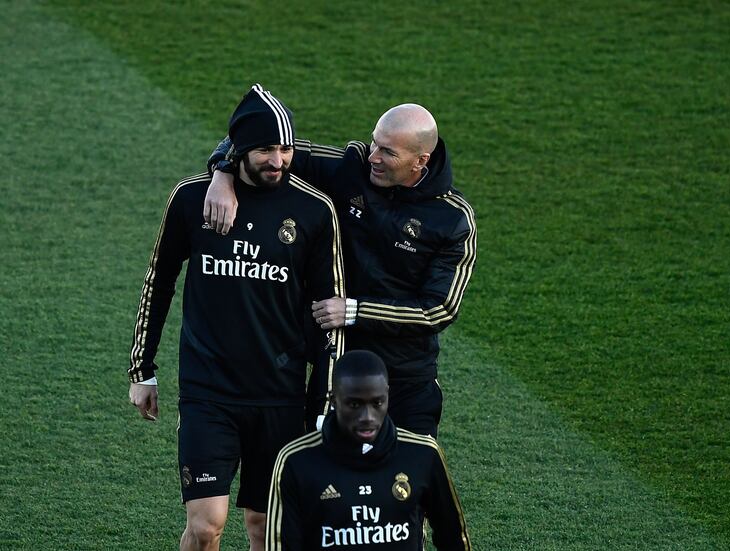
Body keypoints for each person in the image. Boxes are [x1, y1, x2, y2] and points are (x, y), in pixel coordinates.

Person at [127, 83, 345, 551]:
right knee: (207, 525)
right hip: (209, 392)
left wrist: (324, 402)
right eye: (266, 149)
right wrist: (142, 371)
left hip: (280, 394)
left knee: (266, 530)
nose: (279, 160)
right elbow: (158, 282)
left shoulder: (313, 210)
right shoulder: (191, 200)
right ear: (239, 149)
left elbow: (331, 316)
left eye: (285, 149)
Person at [205, 98, 477, 438]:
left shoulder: (452, 218)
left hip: (406, 379)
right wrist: (222, 174)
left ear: (420, 161)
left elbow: (439, 309)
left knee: (408, 484)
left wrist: (355, 310)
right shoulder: (351, 166)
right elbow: (246, 137)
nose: (374, 156)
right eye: (375, 142)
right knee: (324, 480)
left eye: (388, 152)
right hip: (336, 365)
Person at [265, 350, 472, 550]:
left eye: (377, 403)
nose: (368, 417)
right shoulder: (297, 461)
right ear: (334, 399)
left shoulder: (422, 454)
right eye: (354, 404)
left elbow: (453, 539)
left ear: (387, 396)